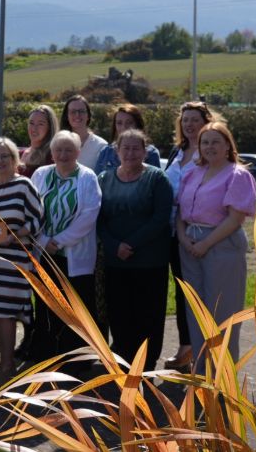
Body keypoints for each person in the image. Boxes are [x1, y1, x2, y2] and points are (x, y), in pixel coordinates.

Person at [176, 122, 256, 369]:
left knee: (222, 313)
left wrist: (205, 243)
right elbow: (179, 211)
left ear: (227, 146)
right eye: (205, 142)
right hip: (190, 245)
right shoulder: (192, 173)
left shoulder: (237, 175)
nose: (209, 147)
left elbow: (235, 218)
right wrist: (183, 238)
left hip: (221, 245)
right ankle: (201, 373)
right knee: (196, 312)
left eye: (215, 142)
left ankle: (223, 377)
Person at [96, 129, 173, 372]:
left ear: (145, 151)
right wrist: (114, 245)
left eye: (135, 148)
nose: (130, 153)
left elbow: (161, 218)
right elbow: (98, 219)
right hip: (115, 262)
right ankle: (123, 363)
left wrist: (132, 244)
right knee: (119, 315)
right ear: (117, 151)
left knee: (148, 317)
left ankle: (146, 366)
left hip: (150, 262)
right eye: (125, 148)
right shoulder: (103, 179)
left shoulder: (157, 179)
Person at [27, 131, 101, 363]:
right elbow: (28, 208)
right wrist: (43, 241)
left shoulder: (87, 177)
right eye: (58, 149)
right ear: (52, 152)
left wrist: (58, 240)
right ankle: (46, 354)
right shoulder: (41, 174)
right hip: (44, 253)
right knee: (46, 306)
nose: (63, 154)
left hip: (73, 255)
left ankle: (75, 360)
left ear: (78, 152)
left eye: (69, 150)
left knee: (75, 308)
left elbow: (89, 215)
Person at [0, 137, 44, 387]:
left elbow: (38, 220)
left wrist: (13, 236)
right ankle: (7, 363)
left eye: (6, 156)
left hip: (14, 263)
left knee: (6, 314)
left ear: (15, 159)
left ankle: (7, 366)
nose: (1, 161)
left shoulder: (24, 185)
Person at [162, 100, 218, 370]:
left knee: (200, 293)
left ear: (206, 122)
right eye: (185, 120)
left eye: (195, 119)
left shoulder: (209, 151)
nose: (189, 124)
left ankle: (204, 351)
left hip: (198, 232)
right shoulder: (178, 150)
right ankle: (186, 347)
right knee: (182, 291)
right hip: (174, 232)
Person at [93, 104, 162, 175]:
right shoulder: (106, 152)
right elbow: (97, 182)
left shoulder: (151, 153)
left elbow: (156, 182)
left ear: (137, 125)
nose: (124, 127)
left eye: (129, 123)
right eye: (119, 123)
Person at [59, 96, 107, 170]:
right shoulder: (58, 143)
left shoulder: (100, 146)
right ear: (67, 116)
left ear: (88, 115)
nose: (77, 115)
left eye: (81, 111)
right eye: (73, 111)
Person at [20, 105, 58, 178]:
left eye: (40, 124)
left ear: (49, 128)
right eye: (31, 123)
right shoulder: (19, 154)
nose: (34, 128)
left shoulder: (52, 157)